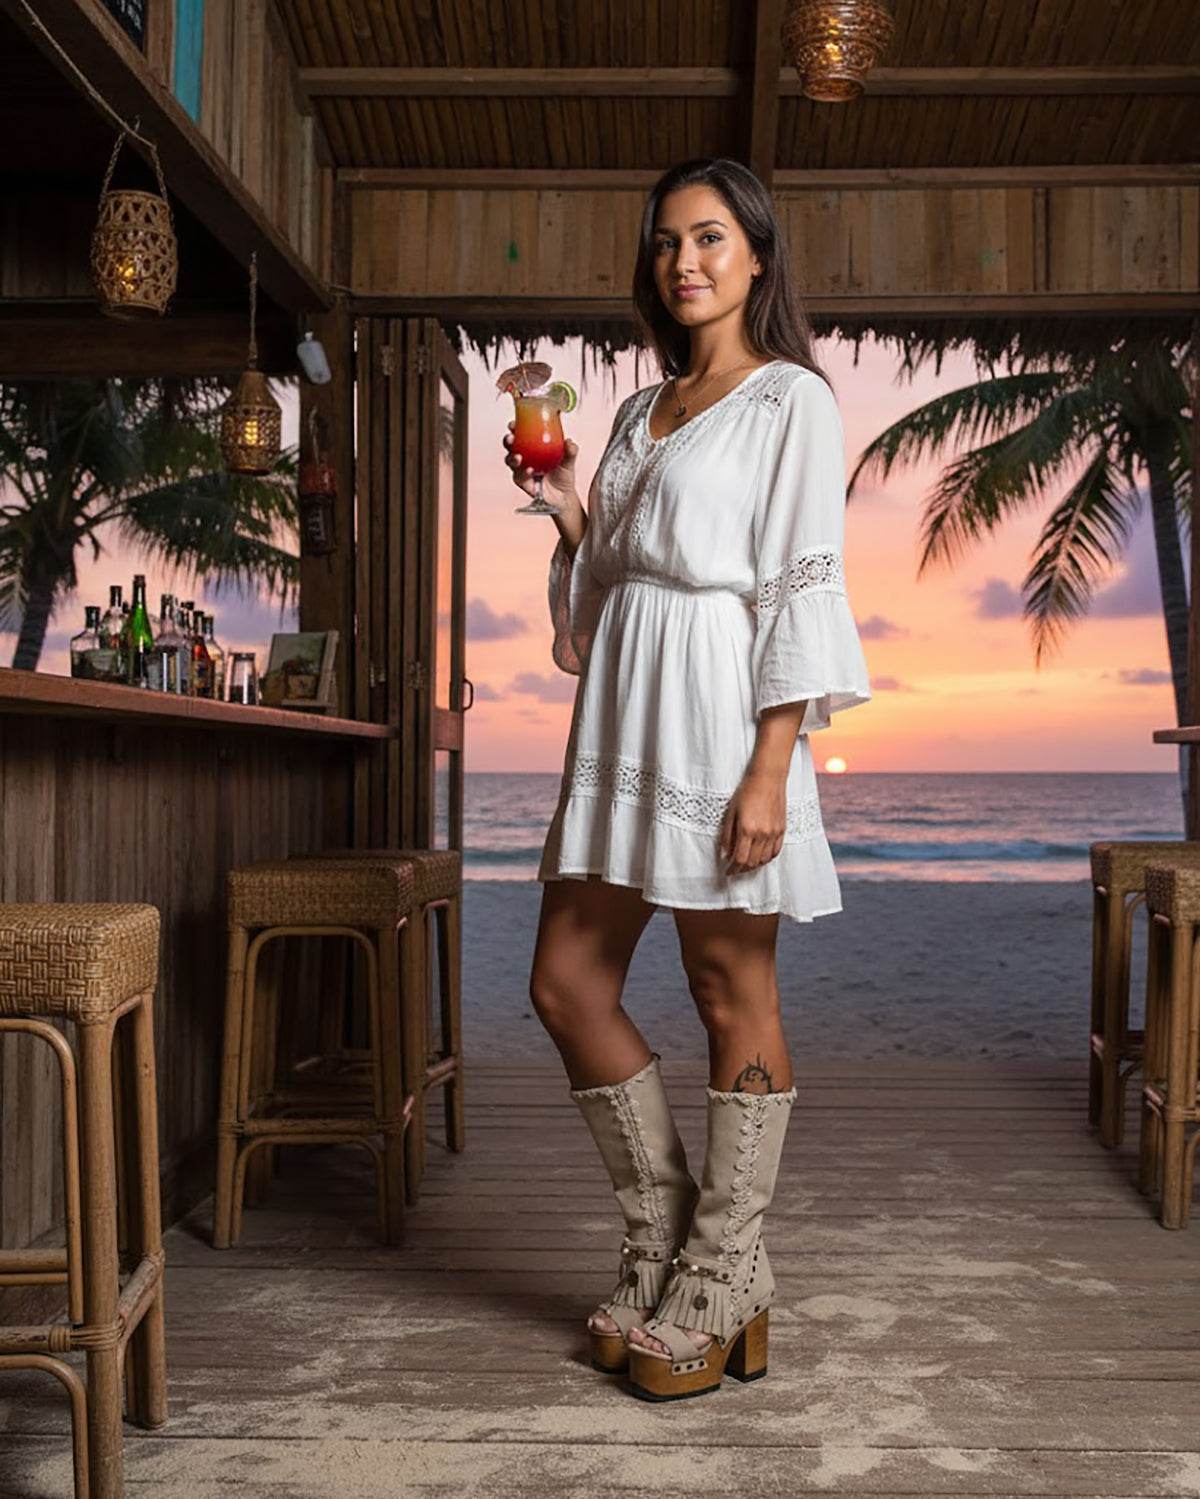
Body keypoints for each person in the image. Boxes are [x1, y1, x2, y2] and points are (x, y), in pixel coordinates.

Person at [504, 157, 872, 1401]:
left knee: (729, 979)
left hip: (725, 711)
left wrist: (773, 763)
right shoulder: (633, 412)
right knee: (566, 981)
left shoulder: (792, 403)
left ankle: (725, 1269)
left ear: (757, 255)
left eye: (711, 237)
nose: (685, 261)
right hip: (625, 709)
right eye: (667, 242)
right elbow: (601, 594)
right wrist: (571, 514)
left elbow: (800, 582)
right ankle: (668, 1232)